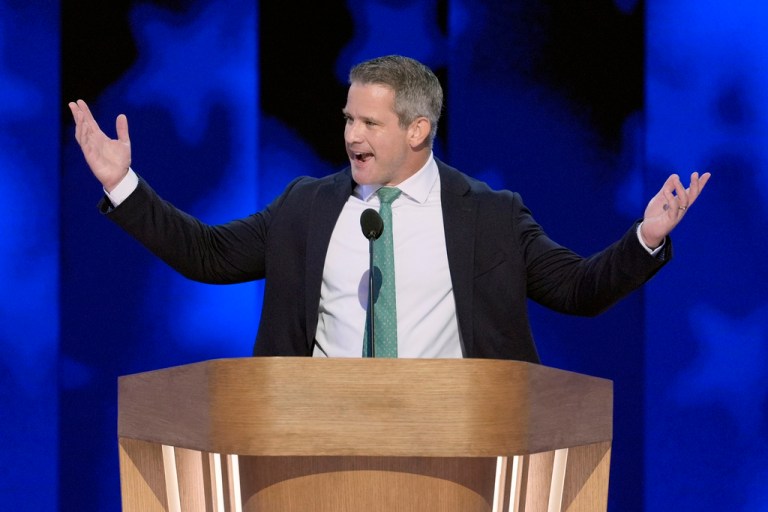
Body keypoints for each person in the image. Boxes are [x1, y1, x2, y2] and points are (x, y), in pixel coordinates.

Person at [68, 55, 709, 362]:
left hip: (459, 445)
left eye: (369, 122)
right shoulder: (307, 206)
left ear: (417, 129)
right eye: (348, 118)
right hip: (318, 442)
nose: (351, 136)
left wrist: (644, 239)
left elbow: (577, 289)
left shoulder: (489, 216)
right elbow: (206, 254)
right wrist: (124, 185)